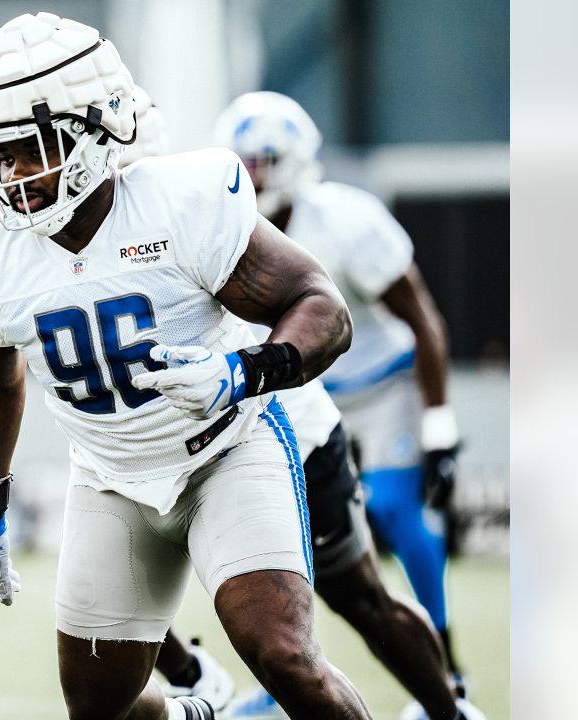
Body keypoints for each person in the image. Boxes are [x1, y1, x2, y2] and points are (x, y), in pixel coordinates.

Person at [0, 13, 370, 720]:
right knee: (98, 709)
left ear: (92, 130)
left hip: (228, 451)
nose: (14, 177)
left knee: (283, 655)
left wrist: (239, 372)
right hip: (110, 477)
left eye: (30, 150)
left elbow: (323, 308)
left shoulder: (178, 202)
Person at [119, 89, 485, 720]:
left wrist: (437, 426)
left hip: (300, 406)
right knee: (120, 580)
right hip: (209, 422)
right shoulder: (126, 228)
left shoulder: (322, 220)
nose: (252, 173)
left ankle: (447, 698)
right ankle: (210, 680)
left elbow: (350, 316)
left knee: (361, 580)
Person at [212, 92, 468, 719]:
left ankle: (449, 672)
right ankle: (290, 680)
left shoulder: (349, 221)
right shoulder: (218, 226)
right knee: (288, 545)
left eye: (267, 158)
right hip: (295, 397)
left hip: (377, 385)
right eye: (243, 159)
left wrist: (439, 424)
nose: (254, 174)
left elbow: (423, 320)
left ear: (298, 160)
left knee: (391, 510)